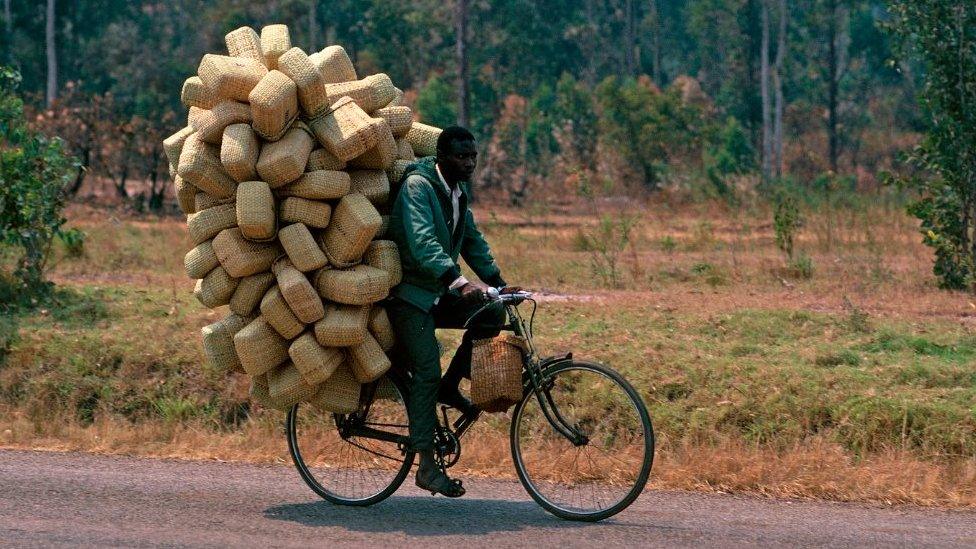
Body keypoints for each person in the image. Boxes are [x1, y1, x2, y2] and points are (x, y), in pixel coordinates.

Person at [385, 126, 518, 498]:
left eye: (473, 155)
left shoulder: (458, 191)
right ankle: (426, 466)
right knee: (426, 368)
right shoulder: (419, 187)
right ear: (442, 157)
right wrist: (461, 284)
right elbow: (424, 243)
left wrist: (497, 282)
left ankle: (451, 385)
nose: (470, 162)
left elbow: (472, 240)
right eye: (462, 156)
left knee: (492, 314)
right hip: (408, 296)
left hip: (437, 292)